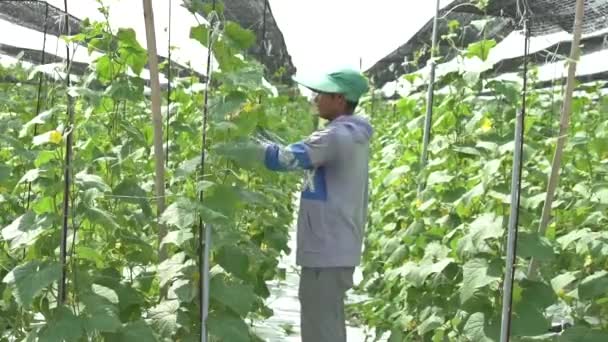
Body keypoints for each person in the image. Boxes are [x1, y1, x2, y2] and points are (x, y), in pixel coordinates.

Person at [260, 67, 373, 342]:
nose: (315, 98)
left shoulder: (336, 136)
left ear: (340, 99)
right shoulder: (347, 134)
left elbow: (283, 159)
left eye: (322, 93)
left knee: (319, 328)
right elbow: (296, 150)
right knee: (327, 324)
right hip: (334, 246)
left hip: (327, 247)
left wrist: (240, 143)